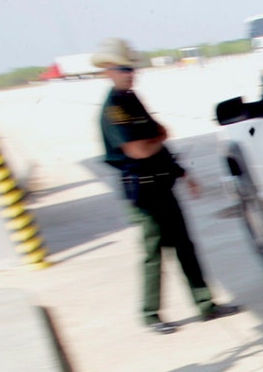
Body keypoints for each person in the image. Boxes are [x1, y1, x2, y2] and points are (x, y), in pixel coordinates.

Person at [94, 37, 240, 335]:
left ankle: (205, 305)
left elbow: (156, 142)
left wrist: (181, 171)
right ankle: (151, 315)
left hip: (162, 185)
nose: (130, 73)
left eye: (132, 68)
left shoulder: (132, 99)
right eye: (123, 69)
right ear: (108, 70)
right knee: (153, 254)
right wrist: (158, 136)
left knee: (185, 247)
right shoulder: (114, 109)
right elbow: (139, 150)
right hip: (143, 194)